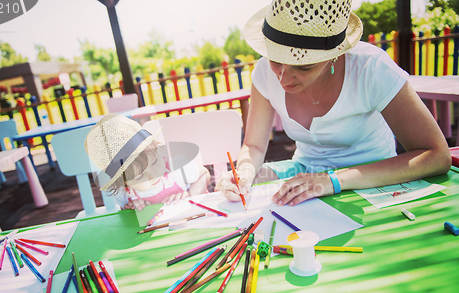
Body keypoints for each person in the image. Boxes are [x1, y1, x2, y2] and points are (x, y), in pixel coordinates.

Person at [217, 0, 451, 207]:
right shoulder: (263, 74)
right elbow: (255, 147)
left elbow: (437, 155)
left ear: (335, 54)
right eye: (276, 60)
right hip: (305, 171)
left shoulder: (371, 68)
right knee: (247, 187)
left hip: (373, 175)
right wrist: (244, 171)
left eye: (304, 66)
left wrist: (334, 180)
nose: (283, 78)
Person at [85, 113, 210, 211]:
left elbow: (204, 175)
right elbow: (125, 213)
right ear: (123, 182)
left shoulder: (177, 167)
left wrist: (189, 195)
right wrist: (130, 207)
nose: (154, 174)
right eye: (140, 176)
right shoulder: (124, 193)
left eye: (155, 162)